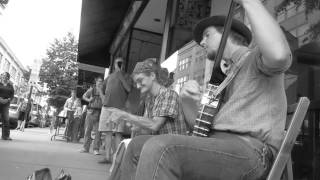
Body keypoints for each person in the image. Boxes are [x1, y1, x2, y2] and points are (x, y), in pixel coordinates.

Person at [112, 0, 292, 179]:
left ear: (227, 33)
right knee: (136, 146)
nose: (202, 42)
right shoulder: (223, 78)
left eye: (207, 35)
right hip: (216, 145)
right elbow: (199, 126)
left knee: (160, 148)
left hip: (251, 151)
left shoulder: (254, 59)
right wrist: (187, 101)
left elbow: (279, 54)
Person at [106, 58, 189, 180]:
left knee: (133, 146)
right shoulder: (150, 99)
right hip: (160, 144)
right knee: (125, 147)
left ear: (152, 76)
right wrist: (131, 123)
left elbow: (154, 125)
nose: (138, 86)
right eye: (136, 83)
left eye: (140, 81)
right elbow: (145, 128)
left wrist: (125, 115)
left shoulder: (168, 94)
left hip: (174, 148)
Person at [97, 57, 132, 164]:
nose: (120, 64)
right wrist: (102, 96)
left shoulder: (127, 76)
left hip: (119, 109)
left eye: (121, 62)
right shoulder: (109, 76)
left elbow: (129, 89)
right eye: (118, 62)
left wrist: (120, 74)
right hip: (106, 107)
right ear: (115, 64)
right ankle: (107, 157)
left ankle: (117, 159)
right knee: (107, 133)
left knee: (118, 133)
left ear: (124, 64)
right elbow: (100, 88)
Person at [79, 77, 103, 155]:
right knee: (87, 130)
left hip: (100, 112)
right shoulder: (92, 90)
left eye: (101, 81)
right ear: (96, 82)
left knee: (98, 132)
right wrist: (89, 100)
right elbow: (84, 96)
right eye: (99, 81)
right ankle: (85, 148)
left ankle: (96, 149)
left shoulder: (104, 90)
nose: (100, 83)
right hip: (91, 111)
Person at [0, 72, 14, 140]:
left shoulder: (10, 85)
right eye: (2, 75)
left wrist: (8, 99)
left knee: (6, 119)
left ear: (8, 77)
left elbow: (12, 94)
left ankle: (5, 136)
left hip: (6, 103)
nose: (3, 76)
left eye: (5, 75)